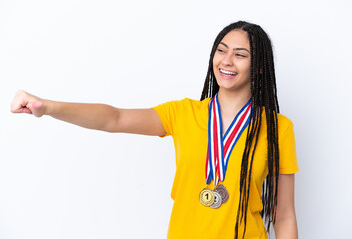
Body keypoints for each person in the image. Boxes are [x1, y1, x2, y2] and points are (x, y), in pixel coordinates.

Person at [11, 20, 299, 239]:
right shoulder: (183, 114)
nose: (226, 60)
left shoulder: (278, 128)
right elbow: (115, 118)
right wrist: (47, 106)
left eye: (240, 55)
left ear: (259, 67)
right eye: (221, 51)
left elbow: (283, 215)